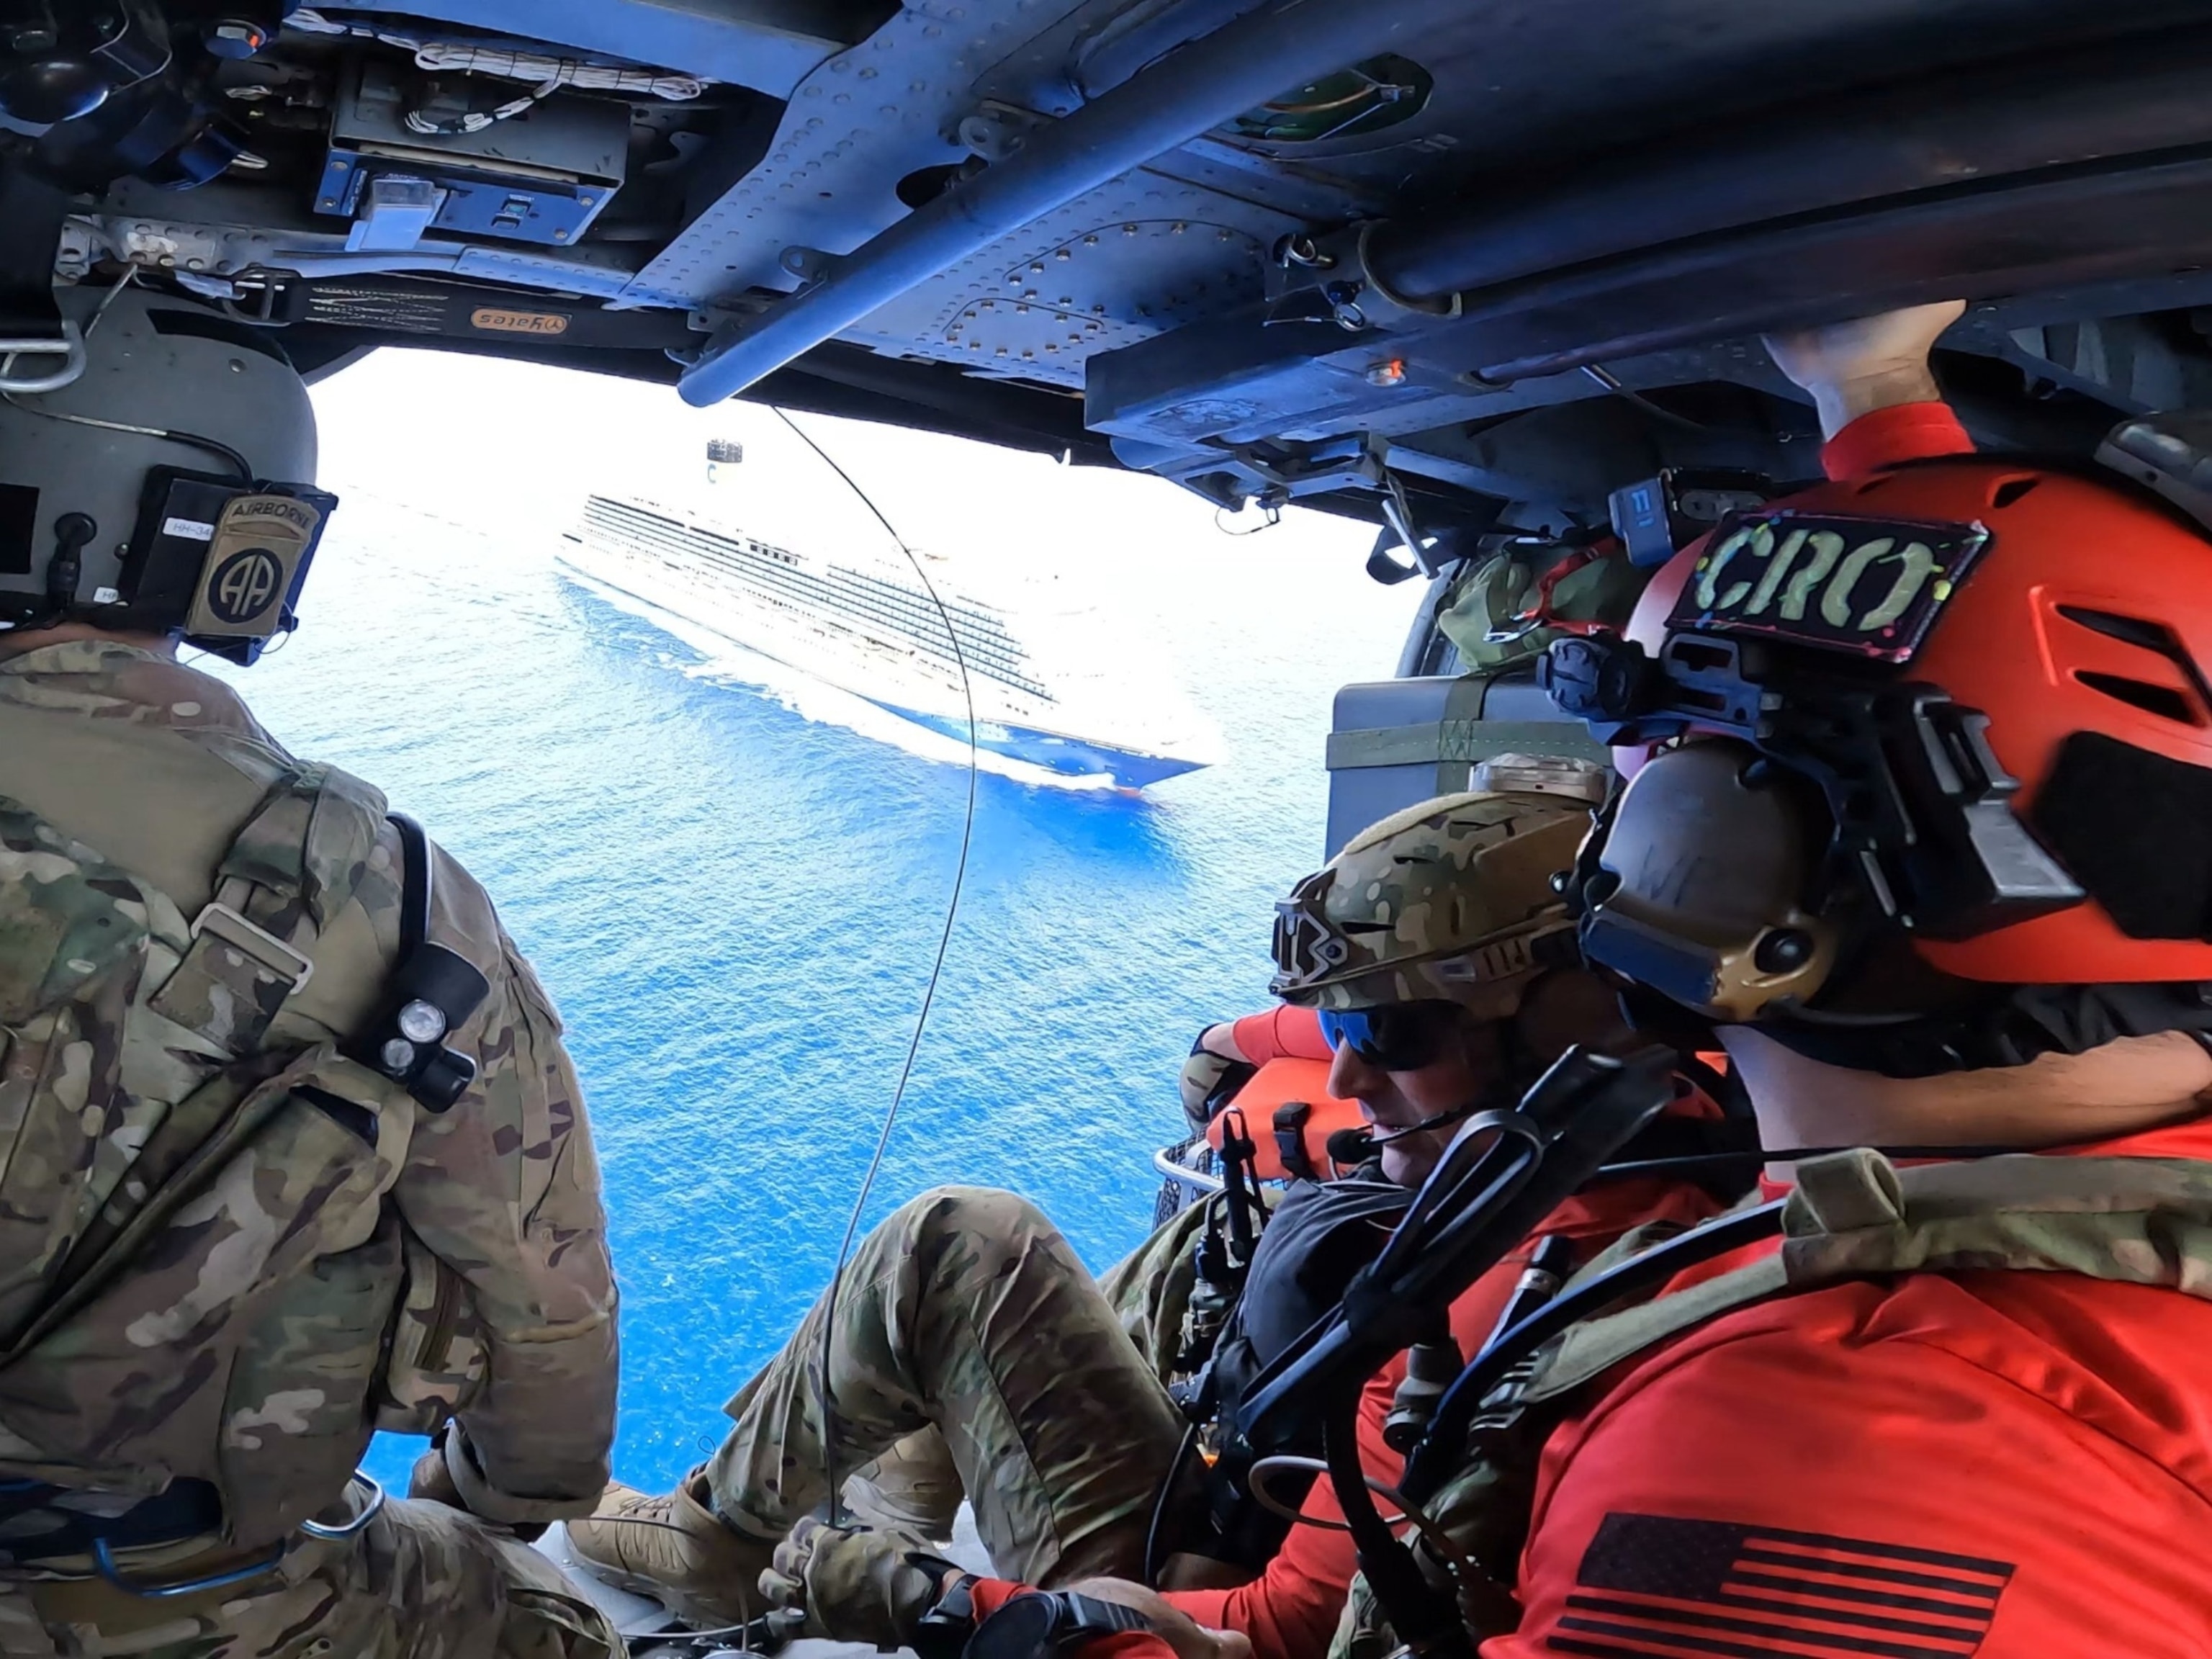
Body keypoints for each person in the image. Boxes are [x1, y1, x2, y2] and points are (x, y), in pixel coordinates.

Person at [1319, 297, 2212, 1659]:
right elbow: (1993, 650)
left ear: (1712, 871)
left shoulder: (1818, 1449)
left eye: (1639, 779)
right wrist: (1870, 384)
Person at [568, 760, 1727, 1659]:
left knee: (959, 1244)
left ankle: (714, 1540)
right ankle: (886, 1484)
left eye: (1388, 1038)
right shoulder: (1685, 1111)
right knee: (1191, 1247)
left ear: (1567, 1020)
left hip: (1177, 1597)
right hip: (1244, 1500)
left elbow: (1270, 1636)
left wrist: (943, 1602)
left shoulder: (1504, 1306)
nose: (1349, 1081)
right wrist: (1247, 1038)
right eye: (1349, 1032)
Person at [0, 280, 621, 1656]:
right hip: (160, 1592)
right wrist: (506, 1495)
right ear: (236, 544)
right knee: (550, 1623)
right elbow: (546, 1306)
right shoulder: (398, 899)